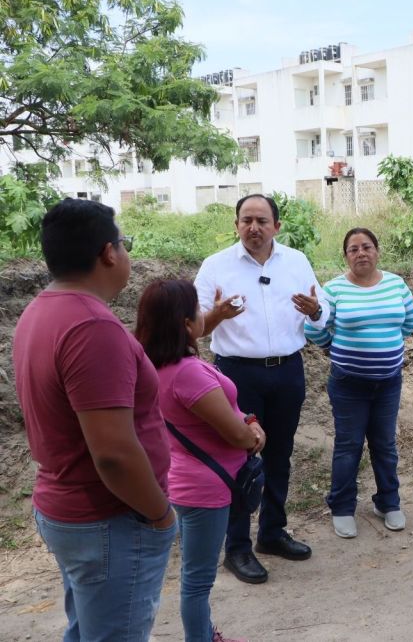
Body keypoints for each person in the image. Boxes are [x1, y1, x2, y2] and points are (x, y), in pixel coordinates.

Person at [13, 199, 176, 640]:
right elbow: (114, 454)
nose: (126, 254)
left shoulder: (42, 309)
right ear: (108, 253)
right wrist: (161, 515)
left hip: (73, 510)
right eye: (125, 244)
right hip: (109, 518)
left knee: (87, 630)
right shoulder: (91, 327)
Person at [194, 194, 327, 584]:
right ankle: (236, 547)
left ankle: (272, 532)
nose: (254, 228)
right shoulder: (215, 266)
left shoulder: (296, 261)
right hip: (236, 374)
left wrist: (316, 311)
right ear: (236, 225)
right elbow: (194, 327)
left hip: (288, 370)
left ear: (277, 226)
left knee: (279, 454)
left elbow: (322, 311)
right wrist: (218, 314)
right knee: (239, 457)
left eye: (262, 221)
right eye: (246, 220)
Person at [136, 279, 267, 642]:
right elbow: (235, 434)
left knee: (194, 576)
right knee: (197, 581)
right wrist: (254, 433)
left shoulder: (156, 365)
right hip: (206, 490)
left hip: (185, 479)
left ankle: (205, 634)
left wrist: (248, 419)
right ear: (184, 323)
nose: (202, 314)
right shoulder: (187, 373)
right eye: (197, 309)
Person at [305, 227, 413, 538]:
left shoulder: (396, 284)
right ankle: (342, 507)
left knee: (385, 445)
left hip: (389, 382)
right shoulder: (333, 290)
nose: (361, 253)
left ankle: (388, 502)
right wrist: (336, 347)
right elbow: (314, 329)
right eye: (353, 249)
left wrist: (383, 343)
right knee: (349, 446)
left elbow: (411, 322)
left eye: (366, 247)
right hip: (348, 384)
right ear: (345, 256)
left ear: (377, 251)